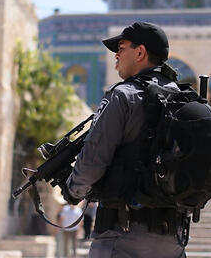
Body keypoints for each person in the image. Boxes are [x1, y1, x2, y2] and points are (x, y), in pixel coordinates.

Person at [60, 21, 186, 257]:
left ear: (140, 52)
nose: (116, 55)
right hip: (173, 237)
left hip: (124, 233)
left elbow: (93, 159)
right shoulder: (182, 99)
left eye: (121, 47)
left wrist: (73, 190)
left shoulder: (122, 96)